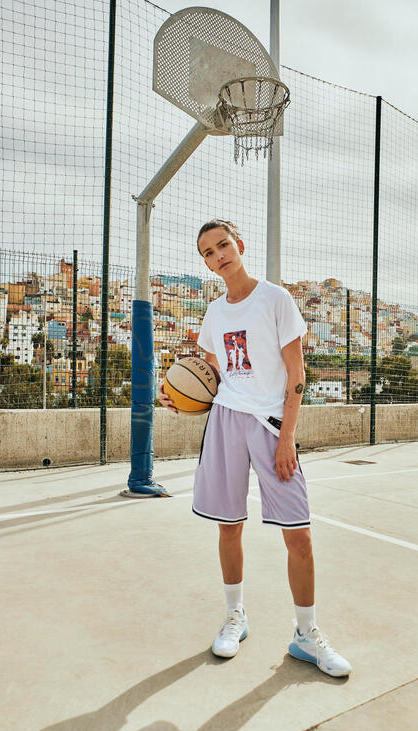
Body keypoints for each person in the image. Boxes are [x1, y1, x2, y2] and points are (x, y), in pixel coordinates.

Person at [158, 219, 351, 678]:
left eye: (223, 245)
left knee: (298, 535)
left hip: (270, 424)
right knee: (229, 526)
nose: (217, 255)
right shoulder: (213, 313)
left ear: (239, 246)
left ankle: (307, 634)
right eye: (207, 252)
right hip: (226, 422)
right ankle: (234, 616)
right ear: (204, 262)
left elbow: (296, 373)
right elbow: (208, 380)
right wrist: (175, 399)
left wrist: (286, 436)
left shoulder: (275, 299)